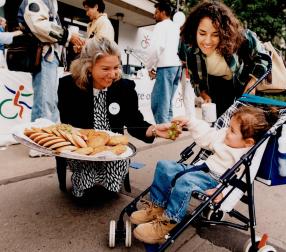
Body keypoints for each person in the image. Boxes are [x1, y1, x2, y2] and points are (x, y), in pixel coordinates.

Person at [131, 106, 278, 244]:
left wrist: (223, 194)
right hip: (198, 169)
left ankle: (169, 222)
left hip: (214, 181)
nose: (227, 131)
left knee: (185, 181)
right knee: (164, 166)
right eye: (228, 127)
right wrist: (190, 121)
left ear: (248, 142)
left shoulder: (246, 156)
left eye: (232, 131)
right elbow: (207, 135)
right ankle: (157, 207)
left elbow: (241, 182)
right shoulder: (223, 136)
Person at [57, 37, 181, 197]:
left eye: (116, 67)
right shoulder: (69, 86)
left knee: (114, 172)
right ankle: (82, 188)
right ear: (88, 66)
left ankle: (107, 190)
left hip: (111, 148)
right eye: (105, 69)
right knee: (85, 175)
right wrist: (89, 144)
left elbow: (134, 121)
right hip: (82, 144)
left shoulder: (125, 88)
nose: (112, 74)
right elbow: (67, 123)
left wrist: (155, 130)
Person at [179, 1, 270, 117]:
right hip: (217, 86)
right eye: (202, 34)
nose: (207, 41)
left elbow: (263, 58)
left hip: (243, 82)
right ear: (194, 31)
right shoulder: (189, 49)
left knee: (247, 124)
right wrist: (204, 95)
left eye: (215, 35)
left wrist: (252, 85)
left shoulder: (240, 38)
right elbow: (196, 80)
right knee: (221, 124)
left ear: (224, 33)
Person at [17, 0, 84, 124]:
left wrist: (68, 38)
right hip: (44, 55)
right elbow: (38, 24)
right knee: (45, 104)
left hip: (49, 55)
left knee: (50, 102)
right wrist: (68, 36)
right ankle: (42, 138)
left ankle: (46, 136)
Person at [146, 1, 182, 124]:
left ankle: (163, 128)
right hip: (177, 66)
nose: (154, 15)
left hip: (166, 66)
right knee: (168, 100)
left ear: (163, 12)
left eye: (156, 12)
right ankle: (170, 127)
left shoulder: (160, 26)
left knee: (159, 101)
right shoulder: (176, 27)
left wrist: (149, 67)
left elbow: (156, 48)